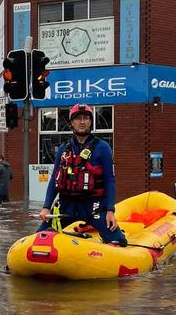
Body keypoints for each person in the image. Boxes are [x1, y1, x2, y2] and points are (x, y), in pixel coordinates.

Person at [38, 103, 127, 246]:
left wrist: (110, 210)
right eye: (78, 118)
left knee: (120, 241)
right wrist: (46, 207)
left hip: (93, 206)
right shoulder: (63, 149)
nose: (82, 122)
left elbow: (110, 180)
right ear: (72, 122)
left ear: (90, 122)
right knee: (39, 238)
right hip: (67, 206)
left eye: (86, 118)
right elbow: (55, 179)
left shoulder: (102, 148)